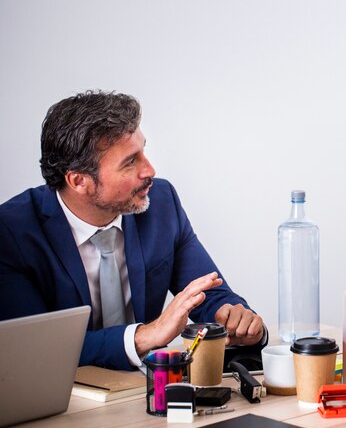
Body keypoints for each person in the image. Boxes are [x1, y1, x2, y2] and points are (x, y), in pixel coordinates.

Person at [0, 91, 266, 370]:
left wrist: (234, 317)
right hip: (62, 402)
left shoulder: (161, 202)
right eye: (130, 162)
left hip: (148, 393)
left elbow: (209, 293)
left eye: (143, 152)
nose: (150, 170)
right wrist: (144, 336)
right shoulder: (12, 232)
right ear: (79, 181)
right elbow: (34, 349)